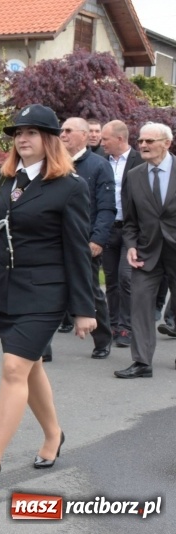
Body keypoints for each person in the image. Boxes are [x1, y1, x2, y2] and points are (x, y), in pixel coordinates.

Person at [0, 104, 95, 499]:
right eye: (18, 133)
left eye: (32, 132)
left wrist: (84, 309)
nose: (22, 139)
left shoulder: (70, 187)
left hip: (45, 292)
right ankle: (54, 434)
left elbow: (77, 250)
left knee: (13, 368)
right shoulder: (5, 180)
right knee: (29, 366)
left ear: (50, 139)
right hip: (7, 290)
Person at [114, 123, 176, 379]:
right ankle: (142, 362)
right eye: (140, 141)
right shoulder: (135, 175)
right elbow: (130, 221)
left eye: (150, 141)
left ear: (167, 143)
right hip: (146, 252)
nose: (143, 145)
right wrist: (130, 246)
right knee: (139, 303)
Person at [53, 117, 115, 359]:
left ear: (84, 135)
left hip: (84, 241)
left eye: (69, 130)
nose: (63, 134)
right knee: (49, 289)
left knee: (89, 290)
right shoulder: (53, 163)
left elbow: (106, 207)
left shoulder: (99, 166)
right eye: (62, 130)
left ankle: (103, 340)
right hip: (54, 239)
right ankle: (41, 347)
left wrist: (98, 239)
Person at [100, 119, 144, 348]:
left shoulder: (139, 160)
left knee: (126, 278)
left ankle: (127, 326)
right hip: (108, 227)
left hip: (131, 230)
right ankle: (113, 323)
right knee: (111, 280)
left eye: (105, 139)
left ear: (119, 139)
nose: (101, 143)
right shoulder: (101, 161)